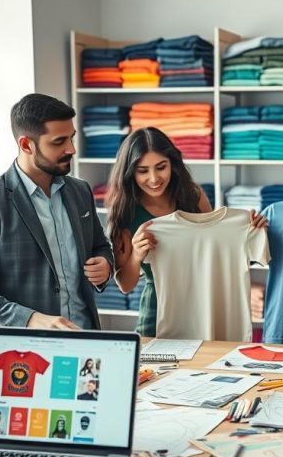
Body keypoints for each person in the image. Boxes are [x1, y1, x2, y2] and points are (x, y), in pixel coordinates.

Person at [0, 94, 115, 330]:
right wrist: (29, 319)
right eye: (59, 142)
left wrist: (105, 264)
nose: (71, 149)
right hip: (25, 345)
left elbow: (100, 246)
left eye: (71, 138)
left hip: (85, 335)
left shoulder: (80, 191)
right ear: (26, 145)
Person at [107, 127, 266, 336]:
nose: (154, 178)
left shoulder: (193, 195)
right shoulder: (125, 213)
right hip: (158, 316)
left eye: (161, 167)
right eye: (143, 171)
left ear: (172, 163)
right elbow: (125, 285)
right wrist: (136, 255)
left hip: (203, 312)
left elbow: (213, 242)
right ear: (130, 172)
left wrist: (251, 228)